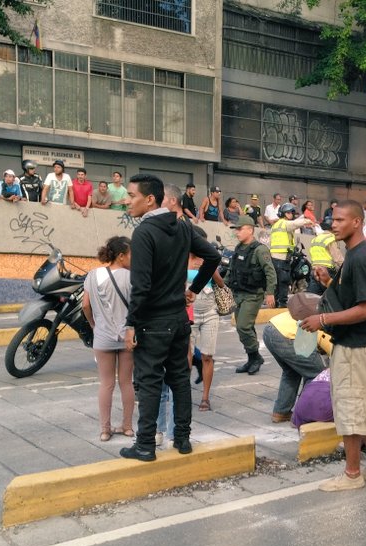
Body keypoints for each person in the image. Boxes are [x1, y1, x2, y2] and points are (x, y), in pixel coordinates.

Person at [119, 174, 220, 461]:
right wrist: (194, 290)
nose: (127, 201)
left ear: (149, 199)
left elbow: (141, 286)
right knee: (179, 379)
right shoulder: (184, 227)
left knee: (150, 382)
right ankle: (183, 440)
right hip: (179, 319)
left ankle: (145, 445)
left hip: (153, 321)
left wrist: (130, 324)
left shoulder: (144, 233)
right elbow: (212, 257)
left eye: (131, 196)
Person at [300, 200, 366, 491]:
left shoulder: (361, 257)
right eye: (332, 219)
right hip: (355, 344)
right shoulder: (354, 256)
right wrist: (330, 281)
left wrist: (322, 318)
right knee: (358, 407)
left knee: (351, 411)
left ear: (356, 222)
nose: (333, 224)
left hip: (357, 347)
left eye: (340, 220)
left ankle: (352, 474)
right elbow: (352, 297)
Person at [83, 236, 135, 442]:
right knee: (126, 383)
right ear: (121, 256)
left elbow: (85, 305)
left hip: (102, 337)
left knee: (106, 384)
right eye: (131, 254)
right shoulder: (131, 277)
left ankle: (105, 430)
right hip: (126, 337)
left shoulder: (93, 275)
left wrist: (94, 324)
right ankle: (128, 427)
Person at [227, 214, 277, 375]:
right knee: (244, 327)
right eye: (236, 230)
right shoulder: (238, 248)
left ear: (250, 230)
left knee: (243, 326)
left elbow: (270, 272)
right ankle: (252, 358)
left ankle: (255, 358)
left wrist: (270, 293)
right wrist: (223, 285)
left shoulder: (260, 250)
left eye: (240, 229)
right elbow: (231, 270)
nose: (237, 232)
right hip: (239, 294)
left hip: (253, 294)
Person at [264, 309, 331, 423]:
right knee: (316, 374)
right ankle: (305, 414)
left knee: (292, 371)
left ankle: (281, 412)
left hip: (272, 327)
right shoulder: (335, 330)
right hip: (288, 335)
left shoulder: (328, 307)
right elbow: (335, 354)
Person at [186, 249, 227, 411]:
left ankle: (205, 398)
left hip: (210, 313)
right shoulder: (182, 259)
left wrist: (210, 267)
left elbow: (221, 284)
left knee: (207, 356)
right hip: (190, 313)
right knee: (186, 358)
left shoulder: (208, 260)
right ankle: (184, 395)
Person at [269, 203, 307, 306]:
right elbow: (295, 224)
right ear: (284, 213)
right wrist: (308, 221)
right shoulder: (284, 224)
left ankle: (276, 303)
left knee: (277, 283)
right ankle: (282, 304)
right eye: (289, 212)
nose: (291, 214)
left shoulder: (275, 225)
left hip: (274, 258)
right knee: (284, 282)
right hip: (282, 259)